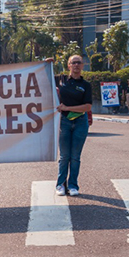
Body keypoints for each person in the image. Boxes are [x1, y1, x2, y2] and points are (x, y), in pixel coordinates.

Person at [55, 55, 92, 197]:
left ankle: (73, 185)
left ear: (83, 66)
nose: (76, 65)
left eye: (79, 63)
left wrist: (67, 107)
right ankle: (60, 184)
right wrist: (47, 63)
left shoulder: (86, 85)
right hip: (63, 122)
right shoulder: (60, 80)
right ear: (68, 65)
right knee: (64, 156)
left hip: (80, 123)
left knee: (75, 156)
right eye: (73, 62)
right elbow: (42, 78)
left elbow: (87, 106)